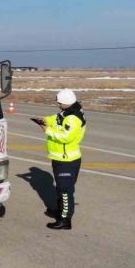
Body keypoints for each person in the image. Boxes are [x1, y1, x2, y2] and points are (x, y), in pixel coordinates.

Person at [36, 89, 87, 230]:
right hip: (59, 157)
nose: (58, 104)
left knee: (65, 190)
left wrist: (47, 130)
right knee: (60, 188)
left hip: (67, 160)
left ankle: (65, 220)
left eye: (59, 102)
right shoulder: (67, 112)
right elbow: (56, 119)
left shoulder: (73, 117)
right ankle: (59, 211)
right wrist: (45, 119)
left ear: (66, 102)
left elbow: (66, 137)